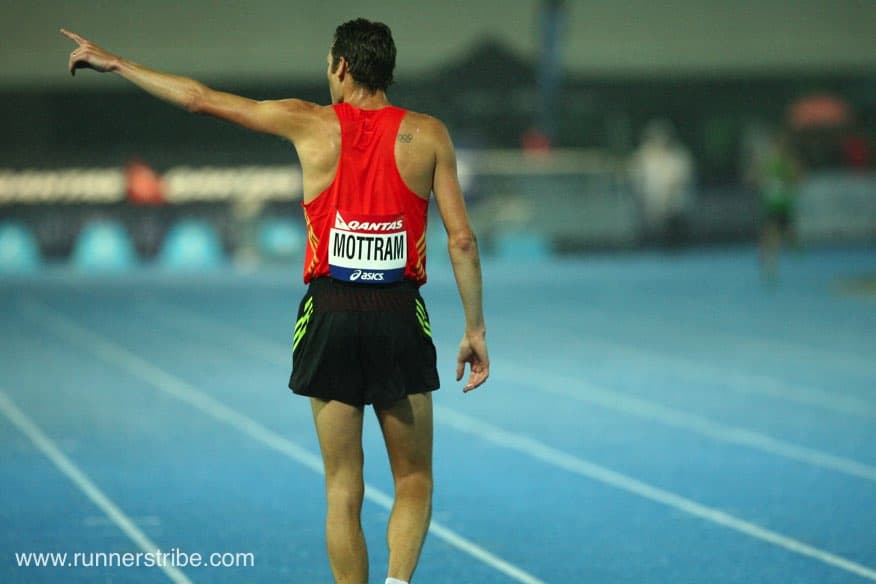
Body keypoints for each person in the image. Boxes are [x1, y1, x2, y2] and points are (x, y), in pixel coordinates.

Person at [62, 19, 489, 584]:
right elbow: (462, 239)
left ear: (341, 67)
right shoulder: (429, 134)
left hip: (329, 312)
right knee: (413, 480)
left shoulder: (309, 123)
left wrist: (116, 63)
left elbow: (197, 99)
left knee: (343, 485)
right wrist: (474, 328)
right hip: (397, 314)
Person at [629, 119, 695, 248]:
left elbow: (681, 180)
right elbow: (635, 180)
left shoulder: (679, 157)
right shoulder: (642, 158)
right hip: (649, 208)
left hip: (674, 208)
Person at [756, 131, 802, 282]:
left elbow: (797, 177)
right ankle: (769, 263)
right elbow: (757, 178)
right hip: (771, 205)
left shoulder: (787, 162)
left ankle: (790, 248)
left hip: (784, 204)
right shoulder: (768, 162)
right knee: (771, 234)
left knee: (786, 231)